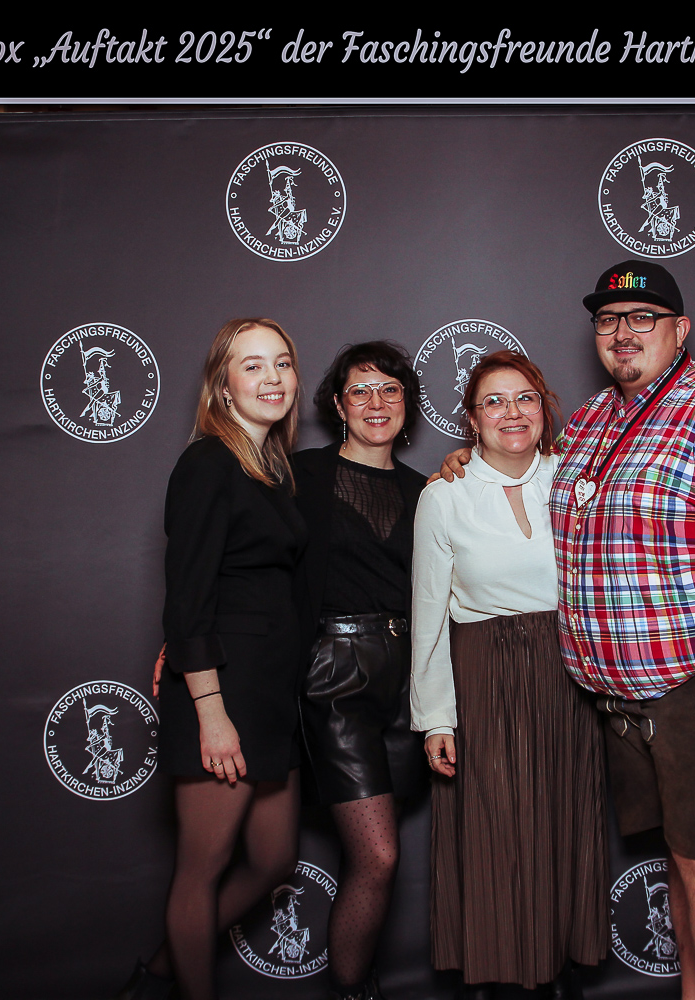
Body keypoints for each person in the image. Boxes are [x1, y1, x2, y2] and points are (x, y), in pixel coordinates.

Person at [441, 262, 695, 1000]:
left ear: (680, 330)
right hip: (631, 698)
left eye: (643, 318)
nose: (623, 332)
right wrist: (472, 459)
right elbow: (530, 478)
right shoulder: (593, 420)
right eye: (608, 320)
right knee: (688, 861)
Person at [411, 351, 607, 997]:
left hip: (569, 677)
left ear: (544, 408)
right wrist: (436, 718)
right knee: (496, 831)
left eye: (524, 398)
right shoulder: (444, 496)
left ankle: (557, 972)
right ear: (471, 419)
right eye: (493, 401)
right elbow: (429, 614)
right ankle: (496, 977)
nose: (511, 412)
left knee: (563, 823)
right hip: (484, 678)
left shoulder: (578, 479)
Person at [127, 318, 308, 1000]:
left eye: (282, 363)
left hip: (268, 696)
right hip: (223, 695)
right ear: (223, 386)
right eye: (252, 365)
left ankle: (157, 975)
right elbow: (188, 597)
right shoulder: (208, 463)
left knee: (274, 860)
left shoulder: (270, 470)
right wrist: (210, 711)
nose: (272, 378)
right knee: (201, 869)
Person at [290, 342, 428, 1000]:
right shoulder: (301, 476)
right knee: (378, 854)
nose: (377, 403)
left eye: (390, 390)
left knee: (373, 855)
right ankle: (352, 992)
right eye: (361, 391)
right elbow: (246, 563)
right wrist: (190, 638)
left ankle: (357, 979)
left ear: (407, 406)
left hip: (408, 683)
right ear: (339, 406)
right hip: (335, 678)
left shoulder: (427, 491)